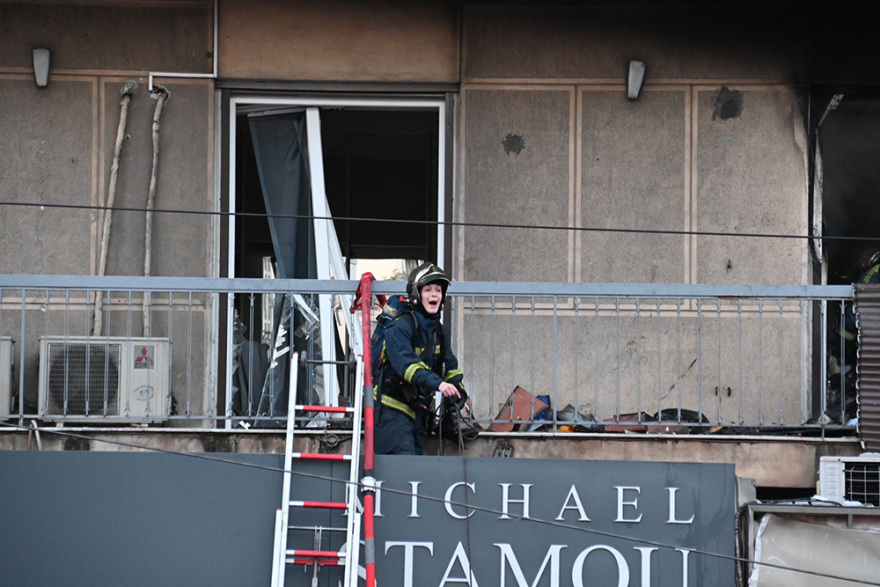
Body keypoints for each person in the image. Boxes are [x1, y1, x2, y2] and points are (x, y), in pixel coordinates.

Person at [374, 262, 476, 455]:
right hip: (391, 414)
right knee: (404, 472)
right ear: (416, 294)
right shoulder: (400, 327)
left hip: (418, 415)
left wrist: (457, 391)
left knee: (416, 474)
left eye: (438, 290)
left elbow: (449, 367)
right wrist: (439, 385)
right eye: (428, 290)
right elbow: (407, 366)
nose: (434, 295)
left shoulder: (439, 332)